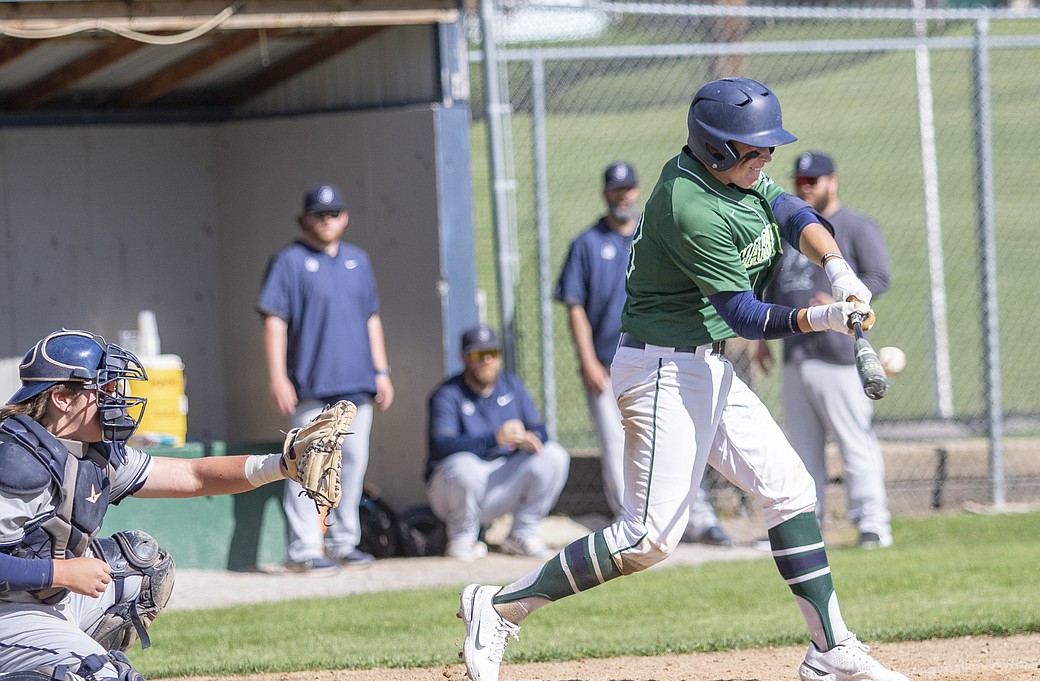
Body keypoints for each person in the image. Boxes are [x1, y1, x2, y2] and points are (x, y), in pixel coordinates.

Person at [458, 77, 909, 681]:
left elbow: (792, 212)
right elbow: (747, 316)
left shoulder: (737, 178)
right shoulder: (690, 204)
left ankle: (831, 649)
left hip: (706, 366)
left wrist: (838, 267)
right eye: (755, 151)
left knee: (789, 489)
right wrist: (824, 315)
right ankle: (500, 606)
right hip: (662, 370)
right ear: (718, 150)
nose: (766, 160)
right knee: (646, 539)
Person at [0, 329, 330, 681]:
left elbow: (191, 474)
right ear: (61, 398)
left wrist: (281, 464)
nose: (116, 398)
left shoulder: (91, 450)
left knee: (142, 566)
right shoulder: (15, 461)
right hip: (10, 611)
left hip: (44, 601)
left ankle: (56, 658)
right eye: (102, 387)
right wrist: (60, 574)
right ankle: (56, 668)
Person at [554, 161, 733, 546]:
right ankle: (632, 526)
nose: (623, 195)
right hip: (606, 362)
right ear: (605, 194)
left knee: (685, 439)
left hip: (665, 357)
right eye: (616, 189)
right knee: (620, 446)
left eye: (629, 188)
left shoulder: (656, 234)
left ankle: (697, 518)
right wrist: (586, 359)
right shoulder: (586, 244)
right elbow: (575, 306)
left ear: (638, 190)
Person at [756, 151, 893, 548]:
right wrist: (760, 339)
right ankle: (807, 525)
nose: (805, 188)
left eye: (813, 181)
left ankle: (872, 523)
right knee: (801, 451)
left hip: (840, 354)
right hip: (795, 353)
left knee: (854, 442)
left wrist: (841, 303)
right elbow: (773, 287)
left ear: (832, 181)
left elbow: (878, 276)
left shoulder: (853, 227)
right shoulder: (788, 232)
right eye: (800, 182)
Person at [258, 184, 394, 574]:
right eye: (319, 214)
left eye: (333, 213)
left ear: (345, 217)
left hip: (357, 384)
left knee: (352, 464)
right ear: (304, 220)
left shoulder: (358, 260)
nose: (327, 221)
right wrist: (278, 377)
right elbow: (274, 322)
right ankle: (303, 549)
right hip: (310, 384)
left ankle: (343, 542)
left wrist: (382, 371)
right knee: (304, 465)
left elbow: (371, 318)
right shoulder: (288, 261)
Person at [426, 324, 570, 562]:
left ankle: (522, 533)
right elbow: (441, 446)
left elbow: (541, 431)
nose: (488, 360)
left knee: (554, 455)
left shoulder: (511, 385)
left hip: (500, 482)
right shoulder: (447, 393)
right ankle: (462, 537)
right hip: (452, 490)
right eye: (479, 354)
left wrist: (528, 438)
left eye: (493, 353)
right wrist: (495, 438)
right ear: (464, 358)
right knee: (464, 465)